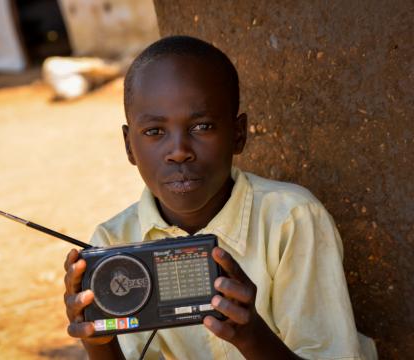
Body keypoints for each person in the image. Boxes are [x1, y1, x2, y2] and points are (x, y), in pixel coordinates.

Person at [63, 35, 377, 360]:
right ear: (129, 146)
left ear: (238, 134)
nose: (179, 152)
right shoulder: (114, 246)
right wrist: (100, 344)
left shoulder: (290, 219)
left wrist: (252, 337)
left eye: (202, 126)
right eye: (155, 131)